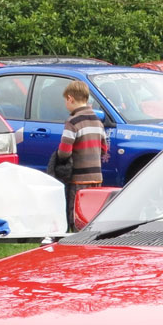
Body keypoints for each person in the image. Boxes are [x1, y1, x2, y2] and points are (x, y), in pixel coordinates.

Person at [53, 81, 107, 230]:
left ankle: (75, 237)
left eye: (66, 101)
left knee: (75, 212)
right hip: (96, 176)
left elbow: (64, 151)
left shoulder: (72, 121)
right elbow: (104, 148)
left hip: (78, 178)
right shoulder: (98, 121)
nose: (65, 105)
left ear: (70, 98)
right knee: (92, 212)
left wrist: (58, 158)